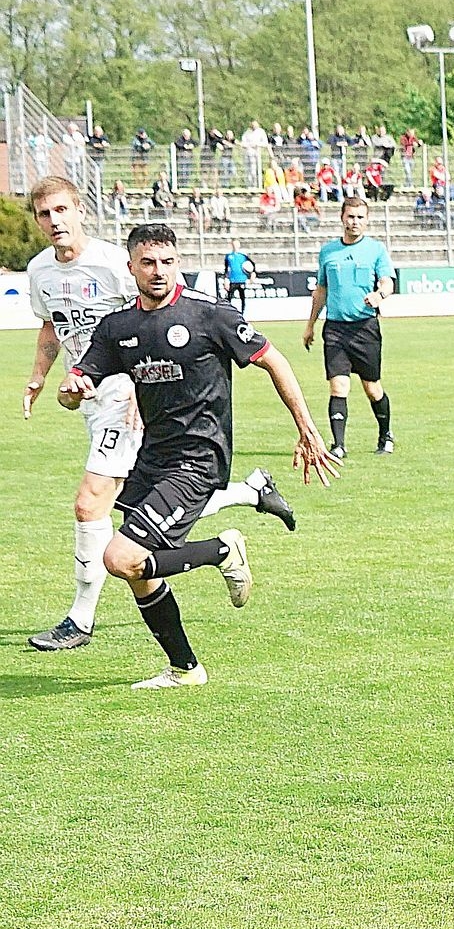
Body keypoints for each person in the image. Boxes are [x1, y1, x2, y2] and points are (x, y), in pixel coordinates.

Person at [21, 178, 296, 652]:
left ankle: (80, 619)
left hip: (126, 399)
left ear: (81, 210)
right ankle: (249, 494)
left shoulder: (114, 262)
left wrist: (138, 383)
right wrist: (41, 377)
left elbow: (153, 318)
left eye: (62, 210)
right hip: (93, 393)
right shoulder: (40, 269)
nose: (55, 221)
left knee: (92, 506)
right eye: (45, 214)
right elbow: (53, 326)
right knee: (145, 520)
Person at [56, 222, 336, 687]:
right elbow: (75, 387)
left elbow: (274, 360)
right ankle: (185, 669)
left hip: (199, 458)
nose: (159, 271)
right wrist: (71, 389)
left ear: (178, 263)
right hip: (151, 460)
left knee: (119, 558)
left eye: (167, 262)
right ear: (131, 268)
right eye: (148, 263)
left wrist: (307, 429)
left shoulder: (209, 315)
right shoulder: (117, 327)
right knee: (140, 572)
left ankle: (221, 550)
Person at [304, 197, 396, 458]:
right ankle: (338, 445)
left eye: (360, 217)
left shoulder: (376, 250)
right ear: (342, 218)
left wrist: (379, 295)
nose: (354, 222)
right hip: (335, 329)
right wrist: (310, 325)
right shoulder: (328, 252)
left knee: (372, 388)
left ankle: (385, 435)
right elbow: (321, 290)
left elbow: (388, 282)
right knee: (338, 387)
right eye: (350, 217)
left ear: (366, 220)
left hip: (365, 328)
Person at [221, 244, 255, 310]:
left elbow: (252, 265)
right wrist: (226, 278)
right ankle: (229, 311)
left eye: (236, 245)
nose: (235, 246)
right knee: (229, 297)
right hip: (232, 280)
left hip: (242, 280)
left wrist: (253, 273)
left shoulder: (243, 256)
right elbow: (226, 269)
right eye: (234, 245)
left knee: (242, 298)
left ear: (239, 246)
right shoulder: (229, 256)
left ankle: (242, 312)